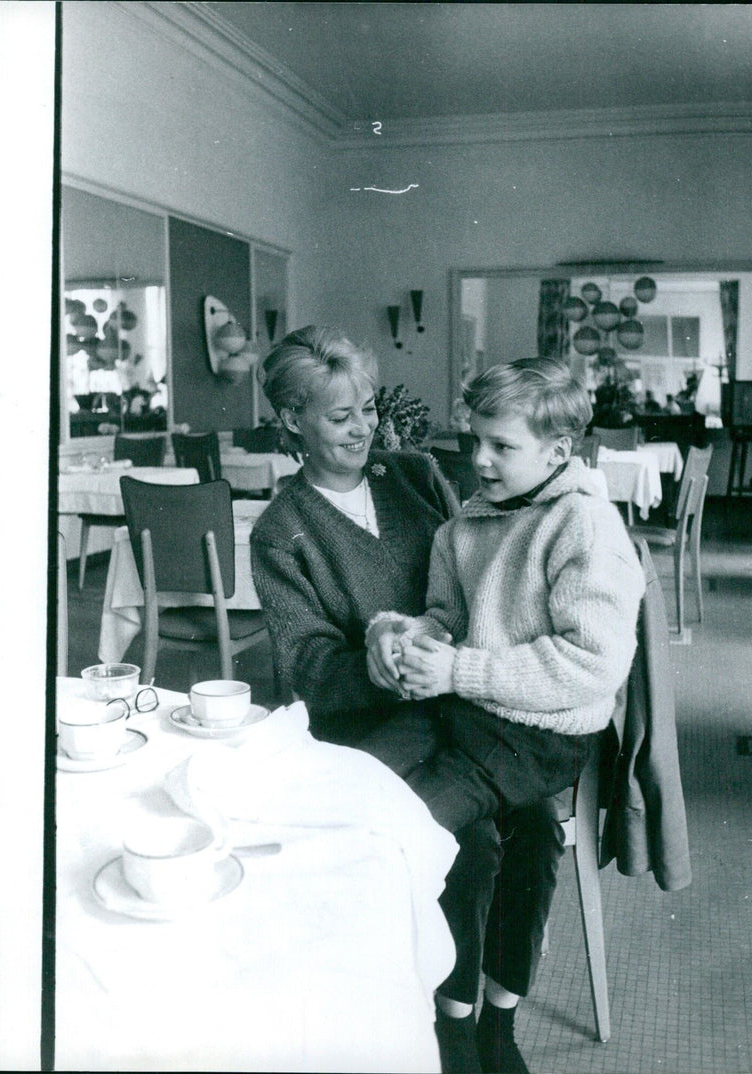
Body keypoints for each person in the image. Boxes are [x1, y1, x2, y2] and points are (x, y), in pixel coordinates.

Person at [250, 328, 564, 1073]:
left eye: (366, 409)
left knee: (538, 830)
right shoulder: (281, 531)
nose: (363, 429)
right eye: (339, 417)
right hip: (374, 728)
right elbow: (306, 666)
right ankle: (449, 1031)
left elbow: (484, 556)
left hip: (464, 703)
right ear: (294, 421)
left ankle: (500, 1018)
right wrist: (379, 663)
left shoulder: (415, 475)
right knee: (473, 846)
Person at [367, 357, 646, 1072]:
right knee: (494, 836)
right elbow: (445, 616)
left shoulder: (585, 525)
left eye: (502, 446)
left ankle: (474, 1022)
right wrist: (414, 641)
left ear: (558, 453)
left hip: (548, 735)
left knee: (417, 824)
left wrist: (457, 669)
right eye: (474, 440)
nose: (479, 459)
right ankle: (471, 1014)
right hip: (478, 717)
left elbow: (593, 663)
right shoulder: (465, 527)